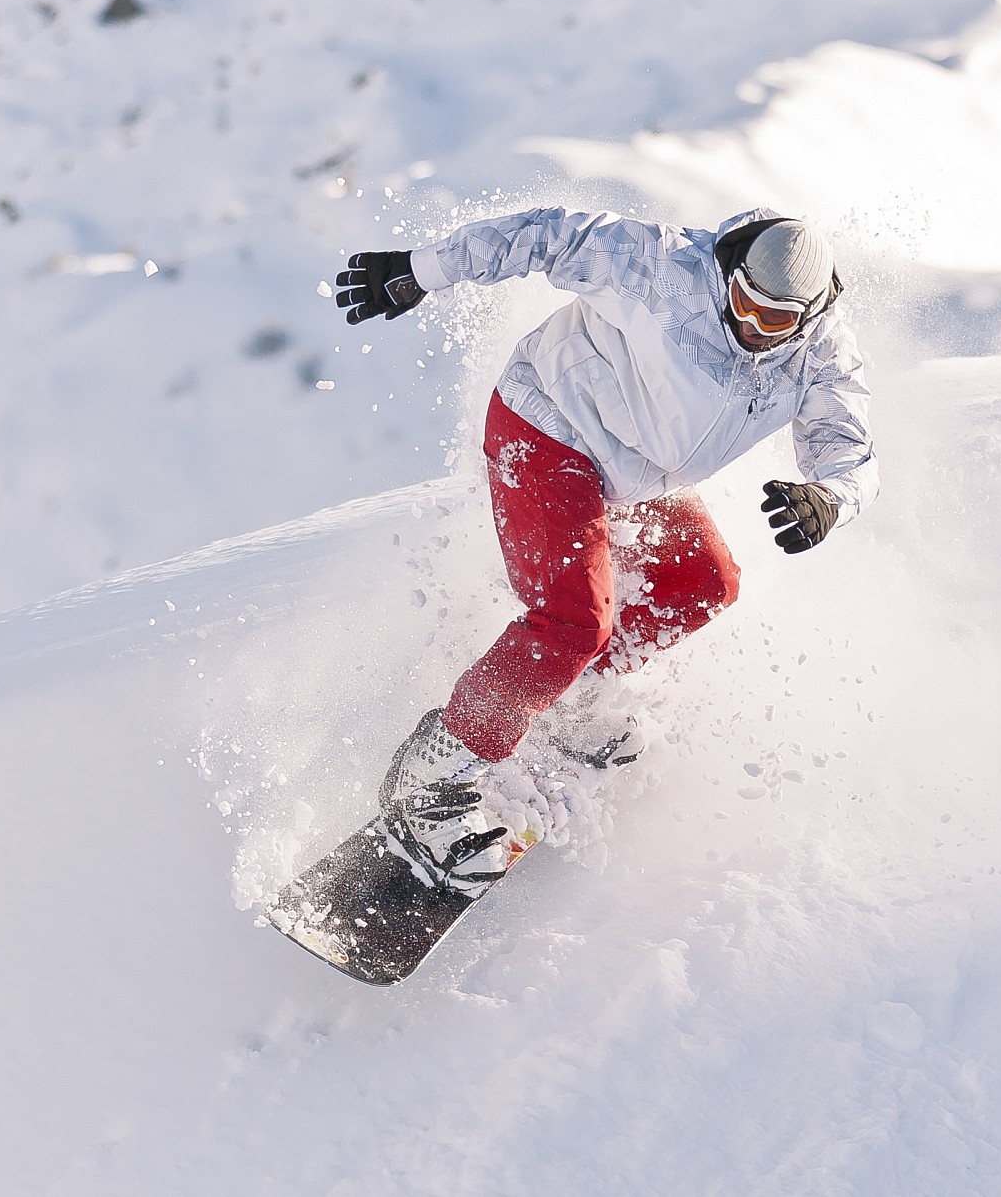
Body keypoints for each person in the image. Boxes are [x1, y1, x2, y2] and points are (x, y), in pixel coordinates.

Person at [331, 206, 877, 896]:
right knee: (573, 621)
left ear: (806, 316)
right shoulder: (664, 268)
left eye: (773, 321)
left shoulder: (823, 356)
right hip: (548, 425)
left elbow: (852, 452)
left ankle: (567, 701)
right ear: (730, 276)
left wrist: (830, 497)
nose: (750, 326)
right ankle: (436, 768)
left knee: (705, 581)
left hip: (634, 471)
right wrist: (417, 273)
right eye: (742, 303)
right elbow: (543, 234)